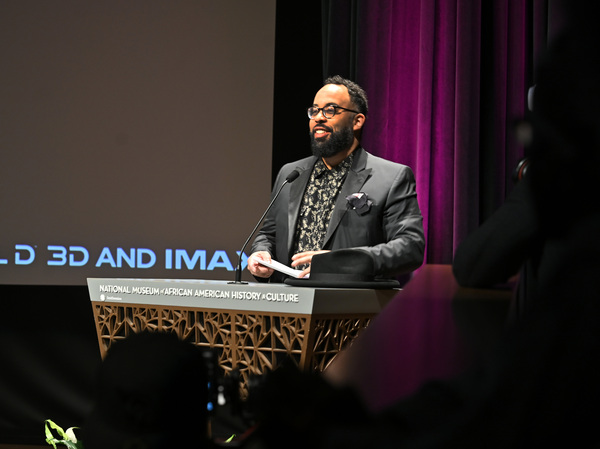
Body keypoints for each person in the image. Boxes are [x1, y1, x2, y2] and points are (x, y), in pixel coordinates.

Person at [248, 75, 425, 282]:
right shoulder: (291, 173)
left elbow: (410, 247)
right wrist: (261, 253)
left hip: (350, 308)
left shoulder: (392, 177)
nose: (319, 118)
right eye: (314, 111)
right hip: (289, 307)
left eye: (330, 110)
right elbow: (269, 234)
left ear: (357, 121)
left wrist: (340, 261)